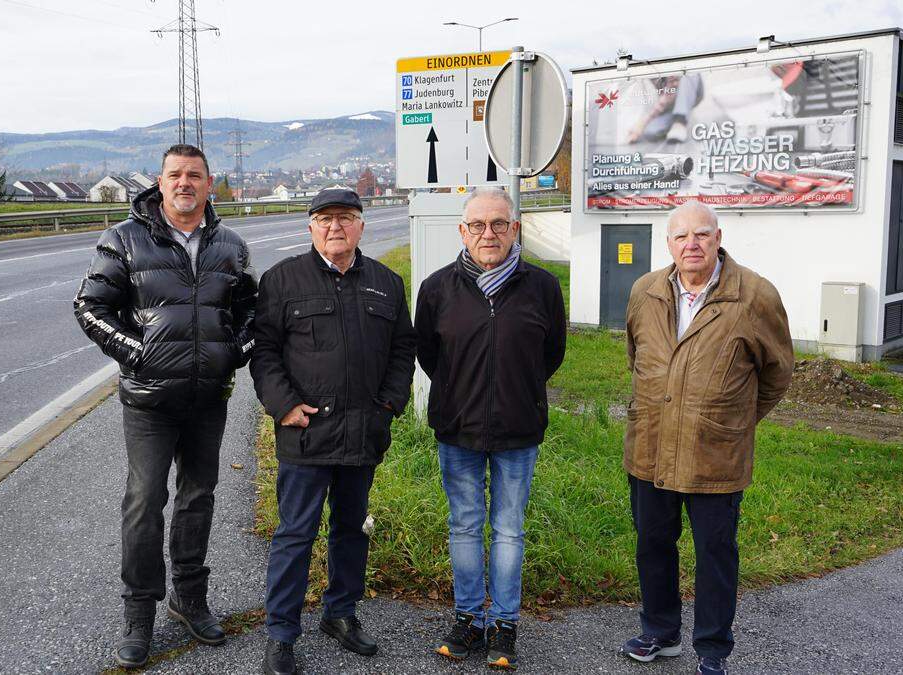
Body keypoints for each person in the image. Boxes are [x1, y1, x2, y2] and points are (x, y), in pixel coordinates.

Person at [73, 144, 258, 669]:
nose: (184, 183)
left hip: (208, 398)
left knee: (198, 498)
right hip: (150, 401)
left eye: (194, 175)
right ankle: (138, 614)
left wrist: (233, 353)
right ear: (160, 181)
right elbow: (90, 306)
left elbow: (251, 312)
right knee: (144, 501)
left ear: (209, 183)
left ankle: (189, 598)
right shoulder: (123, 240)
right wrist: (140, 354)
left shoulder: (231, 246)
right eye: (175, 175)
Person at [619, 200, 792, 675]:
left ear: (718, 238)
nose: (691, 244)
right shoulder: (644, 291)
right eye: (681, 237)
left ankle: (713, 649)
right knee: (653, 543)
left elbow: (777, 373)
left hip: (715, 453)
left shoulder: (754, 296)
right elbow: (636, 356)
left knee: (715, 554)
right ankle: (660, 630)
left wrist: (733, 419)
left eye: (701, 235)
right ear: (668, 243)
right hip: (650, 446)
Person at [250, 186, 417, 675]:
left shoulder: (386, 282)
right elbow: (264, 353)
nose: (335, 227)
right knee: (295, 534)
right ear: (310, 227)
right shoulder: (282, 280)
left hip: (363, 433)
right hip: (305, 434)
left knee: (350, 530)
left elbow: (402, 349)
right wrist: (284, 408)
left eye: (345, 217)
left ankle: (340, 614)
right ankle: (281, 635)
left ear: (361, 225)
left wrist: (389, 403)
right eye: (324, 219)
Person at [414, 188, 566, 669]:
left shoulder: (542, 286)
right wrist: (467, 392)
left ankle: (503, 624)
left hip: (518, 430)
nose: (489, 233)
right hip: (457, 428)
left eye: (499, 224)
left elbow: (551, 354)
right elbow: (429, 356)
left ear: (515, 229)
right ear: (462, 232)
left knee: (508, 529)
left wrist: (514, 390)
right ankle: (467, 619)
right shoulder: (437, 289)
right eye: (477, 225)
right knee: (463, 525)